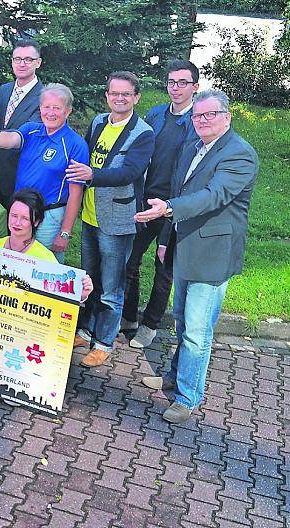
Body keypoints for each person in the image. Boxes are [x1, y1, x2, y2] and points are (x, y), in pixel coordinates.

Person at [135, 89, 258, 424]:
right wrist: (165, 237)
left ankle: (187, 398)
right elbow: (178, 193)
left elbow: (213, 195)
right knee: (181, 319)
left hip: (211, 255)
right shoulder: (194, 146)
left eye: (209, 115)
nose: (201, 121)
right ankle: (174, 378)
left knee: (197, 331)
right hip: (182, 244)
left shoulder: (239, 154)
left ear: (226, 116)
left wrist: (169, 209)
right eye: (197, 116)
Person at [67, 71, 155, 368]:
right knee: (89, 279)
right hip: (90, 215)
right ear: (107, 96)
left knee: (112, 286)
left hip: (117, 219)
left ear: (136, 97)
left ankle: (104, 342)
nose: (119, 98)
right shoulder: (98, 122)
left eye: (126, 94)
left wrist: (93, 174)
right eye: (114, 93)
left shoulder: (142, 133)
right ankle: (85, 330)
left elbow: (130, 171)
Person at [0, 189, 93, 358]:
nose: (17, 222)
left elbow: (60, 307)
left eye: (25, 218)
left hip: (26, 331)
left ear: (36, 222)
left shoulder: (45, 258)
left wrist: (81, 295)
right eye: (13, 216)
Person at [123, 60, 199, 349]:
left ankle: (150, 325)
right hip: (146, 201)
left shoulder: (197, 121)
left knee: (163, 267)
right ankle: (129, 316)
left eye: (183, 82)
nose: (176, 88)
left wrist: (174, 207)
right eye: (171, 82)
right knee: (130, 260)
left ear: (195, 87)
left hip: (174, 207)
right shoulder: (155, 115)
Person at [0, 83, 88, 262]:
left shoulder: (75, 145)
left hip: (49, 217)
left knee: (42, 266)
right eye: (46, 107)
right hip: (22, 212)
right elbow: (11, 139)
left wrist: (65, 233)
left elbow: (75, 194)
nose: (50, 112)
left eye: (57, 108)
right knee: (15, 261)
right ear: (40, 108)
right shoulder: (31, 130)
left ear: (68, 111)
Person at [0, 39, 43, 206]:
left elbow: (29, 135)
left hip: (19, 176)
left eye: (28, 59)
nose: (22, 64)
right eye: (17, 59)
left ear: (38, 63)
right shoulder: (4, 89)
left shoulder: (44, 97)